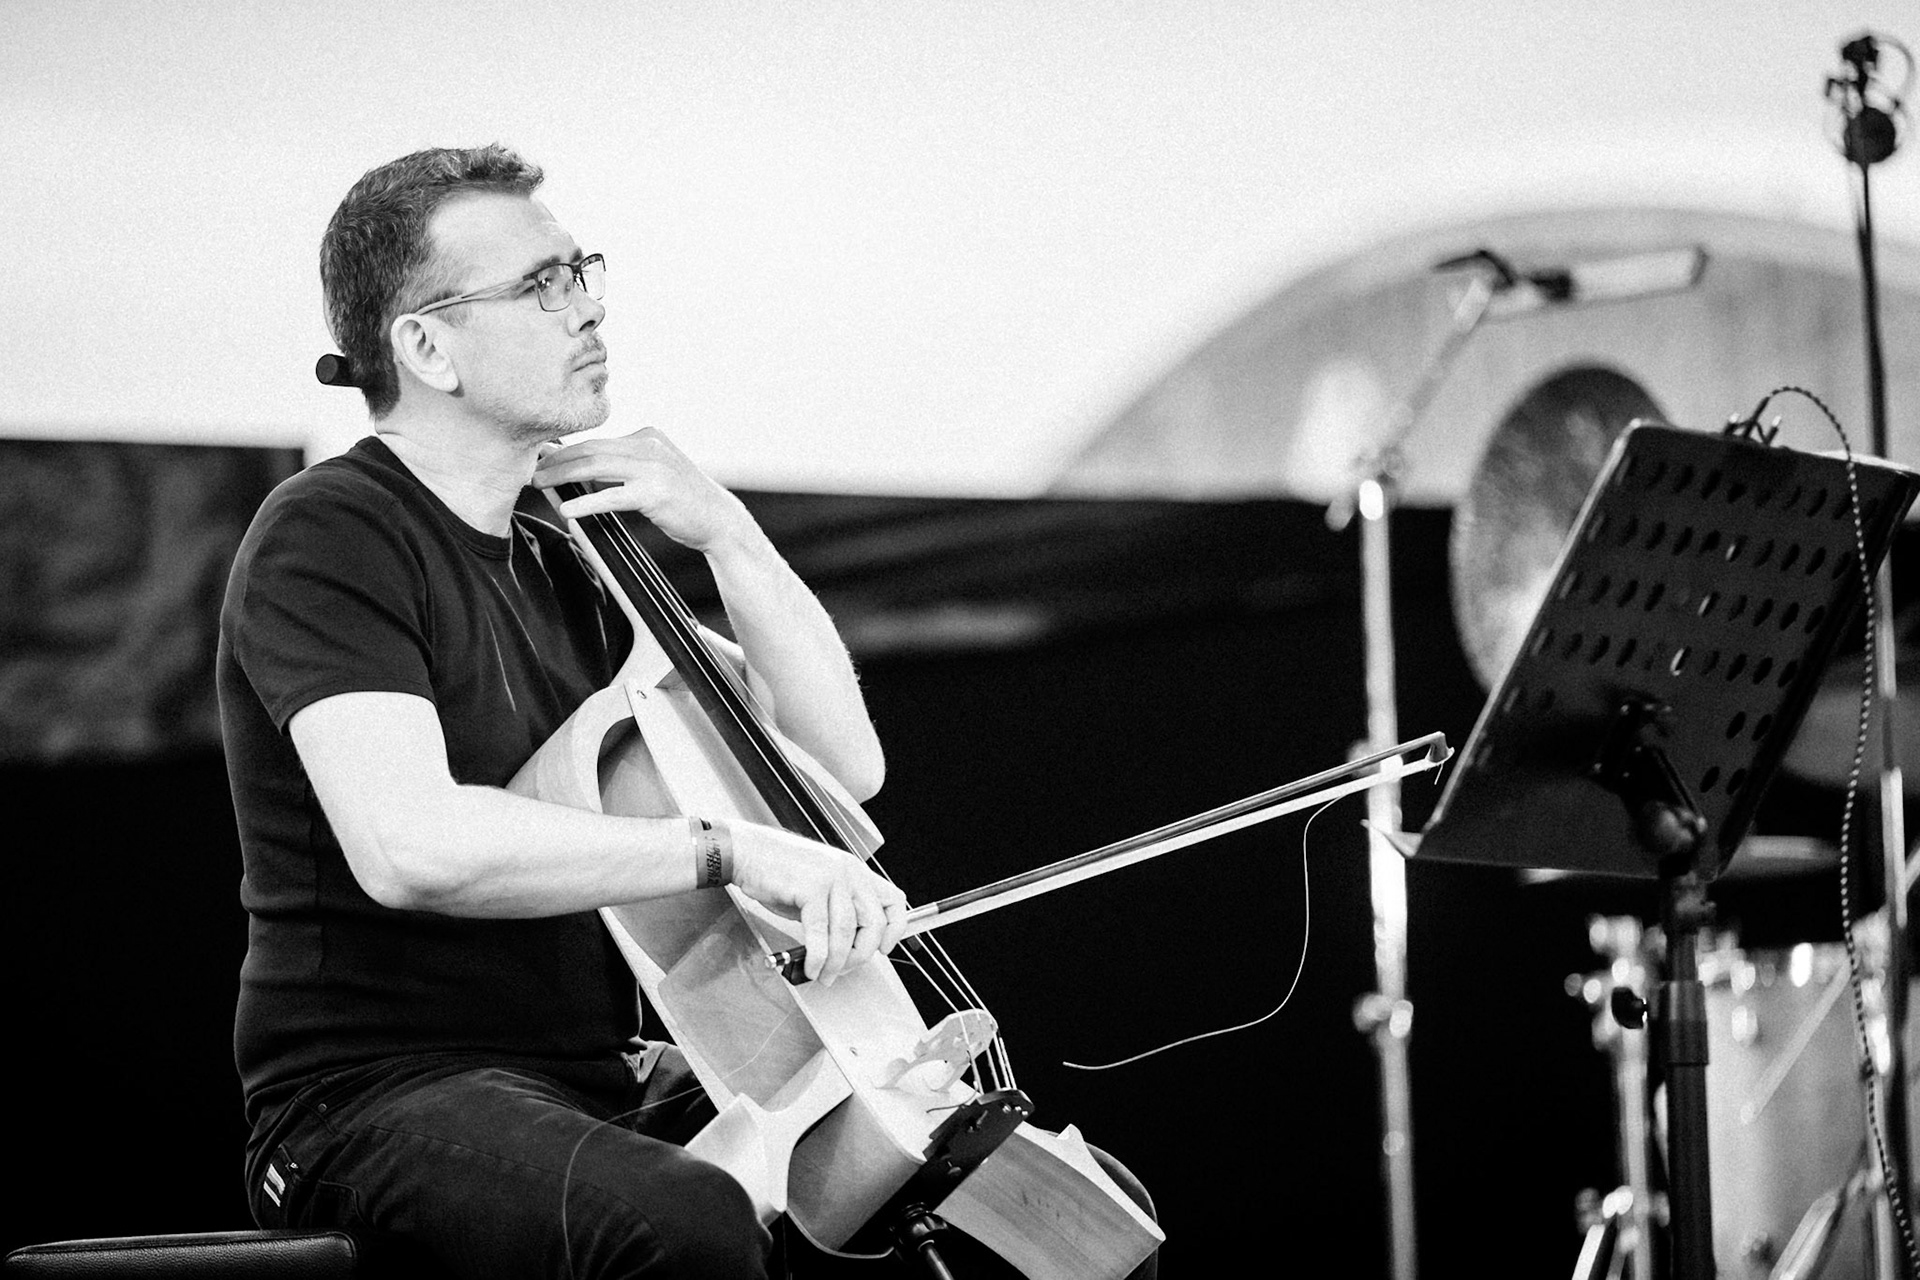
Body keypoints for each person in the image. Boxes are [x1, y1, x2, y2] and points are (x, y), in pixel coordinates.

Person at [218, 144, 1154, 1279]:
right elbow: (409, 845)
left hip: (594, 1078)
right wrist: (723, 852)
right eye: (542, 285)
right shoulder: (332, 532)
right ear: (426, 345)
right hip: (374, 1094)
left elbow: (838, 763)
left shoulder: (568, 556)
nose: (590, 309)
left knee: (1040, 1208)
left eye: (584, 271)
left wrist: (729, 533)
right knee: (681, 1222)